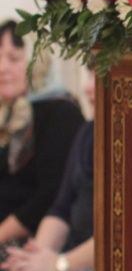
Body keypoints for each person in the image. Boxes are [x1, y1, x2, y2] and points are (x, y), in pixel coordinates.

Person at [0, 70, 95, 271]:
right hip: (68, 259)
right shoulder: (87, 133)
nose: (88, 88)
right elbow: (61, 207)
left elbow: (121, 231)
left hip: (101, 269)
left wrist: (58, 265)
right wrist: (36, 258)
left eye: (99, 77)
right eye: (89, 75)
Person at [0, 21, 83, 246]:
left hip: (37, 244)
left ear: (37, 62)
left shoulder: (61, 111)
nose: (2, 68)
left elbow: (50, 195)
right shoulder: (7, 112)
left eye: (14, 59)